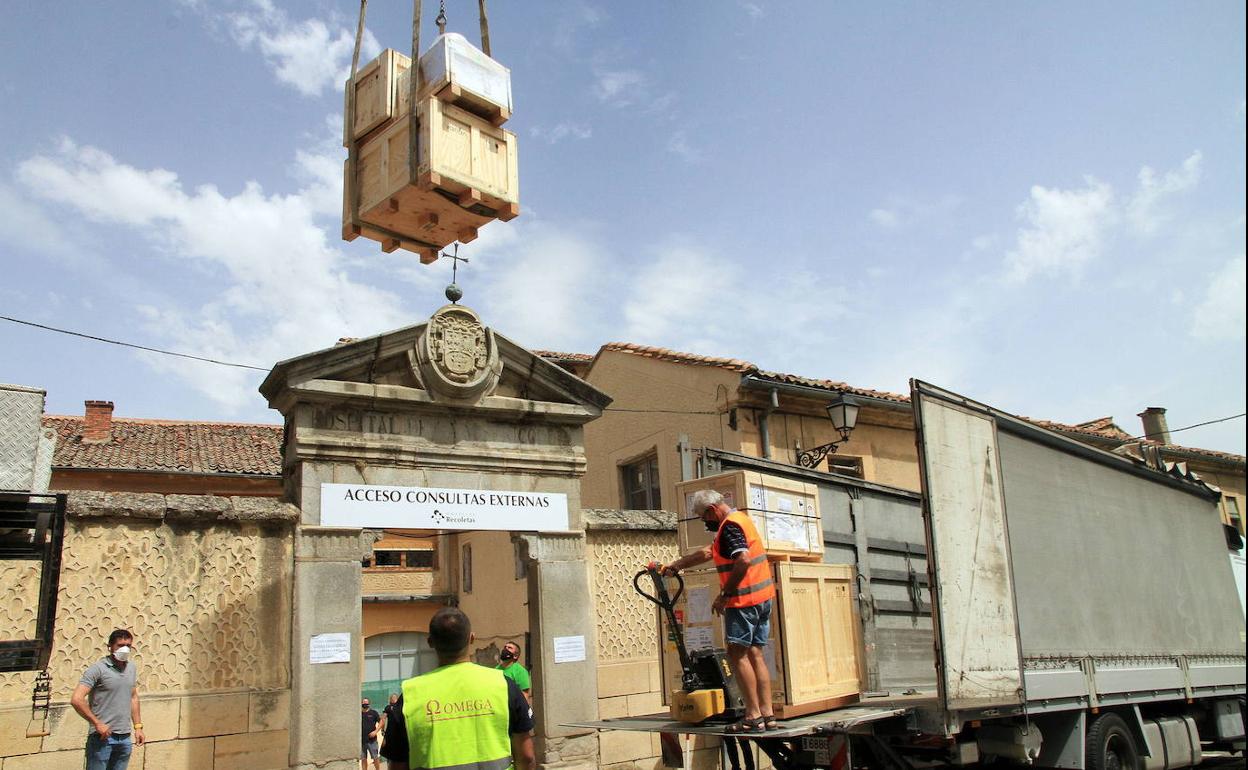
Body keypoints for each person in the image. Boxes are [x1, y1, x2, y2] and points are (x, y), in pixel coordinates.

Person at [662, 489, 777, 733]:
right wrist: (677, 565)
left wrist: (725, 595)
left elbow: (743, 560)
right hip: (762, 599)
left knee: (737, 654)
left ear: (713, 510)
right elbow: (709, 552)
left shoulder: (730, 527)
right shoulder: (740, 520)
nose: (705, 523)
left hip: (743, 601)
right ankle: (767, 714)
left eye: (704, 517)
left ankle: (753, 715)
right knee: (756, 653)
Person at [381, 607, 535, 770]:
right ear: (472, 638)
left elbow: (397, 765)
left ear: (430, 642)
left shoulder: (411, 695)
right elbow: (526, 756)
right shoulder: (503, 684)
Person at [70, 628, 146, 770]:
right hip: (102, 738)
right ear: (110, 647)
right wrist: (97, 723)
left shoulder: (131, 668)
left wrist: (138, 727)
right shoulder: (98, 669)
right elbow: (77, 699)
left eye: (128, 646)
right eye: (120, 645)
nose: (124, 649)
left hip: (124, 737)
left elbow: (133, 697)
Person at [361, 697, 382, 770]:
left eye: (366, 703)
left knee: (375, 758)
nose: (365, 704)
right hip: (361, 741)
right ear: (361, 703)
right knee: (363, 759)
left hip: (372, 740)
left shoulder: (373, 713)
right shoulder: (359, 714)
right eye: (364, 703)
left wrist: (376, 731)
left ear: (369, 704)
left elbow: (381, 722)